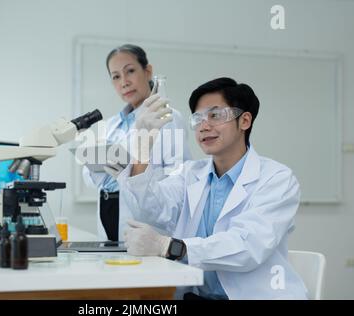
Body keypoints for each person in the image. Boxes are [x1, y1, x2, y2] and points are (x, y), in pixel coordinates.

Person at [117, 77, 308, 299]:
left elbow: (247, 246)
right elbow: (149, 210)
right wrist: (143, 142)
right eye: (197, 119)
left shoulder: (277, 179)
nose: (204, 126)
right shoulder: (190, 173)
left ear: (245, 120)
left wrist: (171, 247)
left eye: (215, 115)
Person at [82, 44, 191, 241]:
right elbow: (89, 178)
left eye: (130, 71)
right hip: (109, 214)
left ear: (148, 71)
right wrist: (100, 164)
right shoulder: (111, 125)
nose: (124, 82)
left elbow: (177, 174)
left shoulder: (167, 117)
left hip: (147, 218)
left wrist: (132, 171)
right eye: (116, 76)